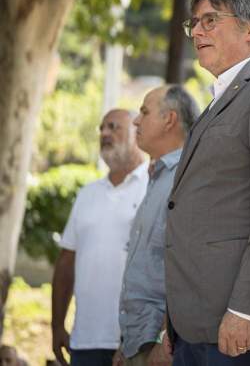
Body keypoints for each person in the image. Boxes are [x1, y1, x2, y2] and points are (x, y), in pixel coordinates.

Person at [162, 0, 250, 366]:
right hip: (195, 323)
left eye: (210, 20)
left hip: (237, 326)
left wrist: (246, 308)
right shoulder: (222, 95)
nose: (197, 31)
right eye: (194, 23)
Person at [51, 109, 148, 366]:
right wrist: (57, 324)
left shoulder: (155, 186)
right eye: (102, 128)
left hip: (137, 342)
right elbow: (65, 262)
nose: (104, 133)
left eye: (114, 127)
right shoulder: (87, 194)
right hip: (84, 341)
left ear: (136, 133)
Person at [112, 86, 200, 366]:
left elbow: (184, 267)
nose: (136, 121)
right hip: (138, 343)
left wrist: (165, 340)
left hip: (162, 348)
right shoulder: (158, 175)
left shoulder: (184, 178)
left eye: (144, 111)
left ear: (169, 120)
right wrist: (126, 346)